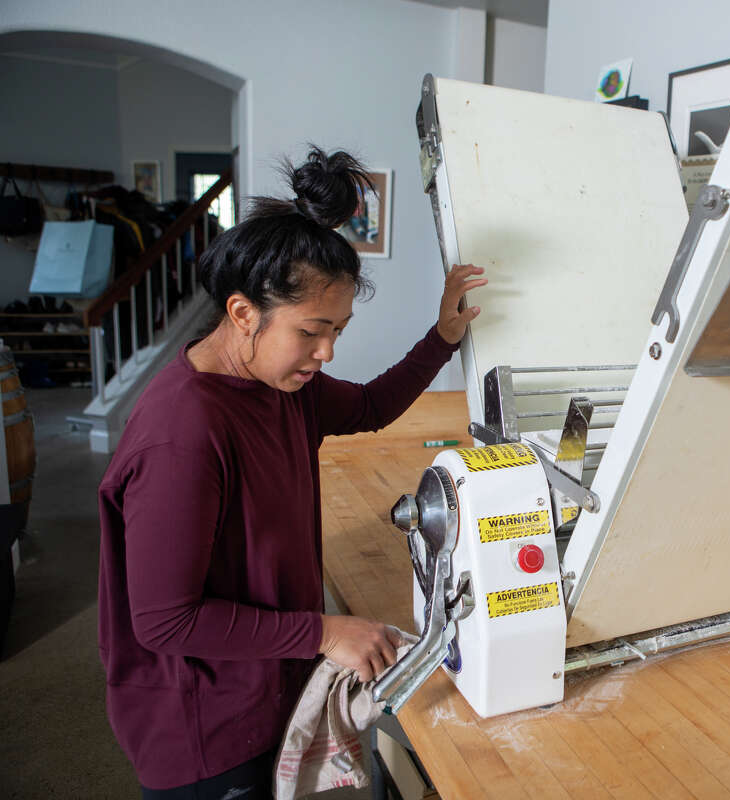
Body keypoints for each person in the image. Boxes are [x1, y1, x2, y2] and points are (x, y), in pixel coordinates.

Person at [96, 146, 486, 798]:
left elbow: (368, 405)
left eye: (338, 329)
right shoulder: (184, 434)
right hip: (205, 728)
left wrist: (442, 337)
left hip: (267, 684)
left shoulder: (283, 386)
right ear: (243, 313)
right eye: (312, 331)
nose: (327, 351)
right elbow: (164, 620)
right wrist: (326, 631)